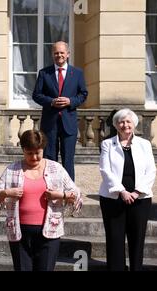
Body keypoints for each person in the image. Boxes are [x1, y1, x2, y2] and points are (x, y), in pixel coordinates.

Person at [0, 130, 82, 271]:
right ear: (23, 150)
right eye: (29, 153)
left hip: (50, 231)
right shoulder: (12, 169)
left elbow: (75, 193)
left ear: (43, 149)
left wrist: (60, 195)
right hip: (19, 231)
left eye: (37, 153)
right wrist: (6, 193)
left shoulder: (56, 168)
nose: (34, 157)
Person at [99, 108, 155, 271]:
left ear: (134, 124)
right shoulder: (107, 144)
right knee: (115, 238)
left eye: (128, 121)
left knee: (137, 238)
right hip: (113, 198)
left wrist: (138, 192)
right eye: (121, 122)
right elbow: (105, 170)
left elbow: (151, 170)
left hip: (140, 199)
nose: (125, 125)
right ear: (116, 125)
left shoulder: (144, 144)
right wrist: (121, 191)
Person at [32, 41, 88, 181]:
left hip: (68, 122)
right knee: (49, 158)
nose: (59, 55)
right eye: (56, 53)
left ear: (68, 54)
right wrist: (51, 101)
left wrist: (71, 101)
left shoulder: (77, 73)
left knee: (68, 158)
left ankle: (69, 189)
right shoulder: (44, 73)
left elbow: (83, 94)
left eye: (62, 52)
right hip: (50, 123)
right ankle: (49, 186)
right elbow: (36, 95)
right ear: (52, 55)